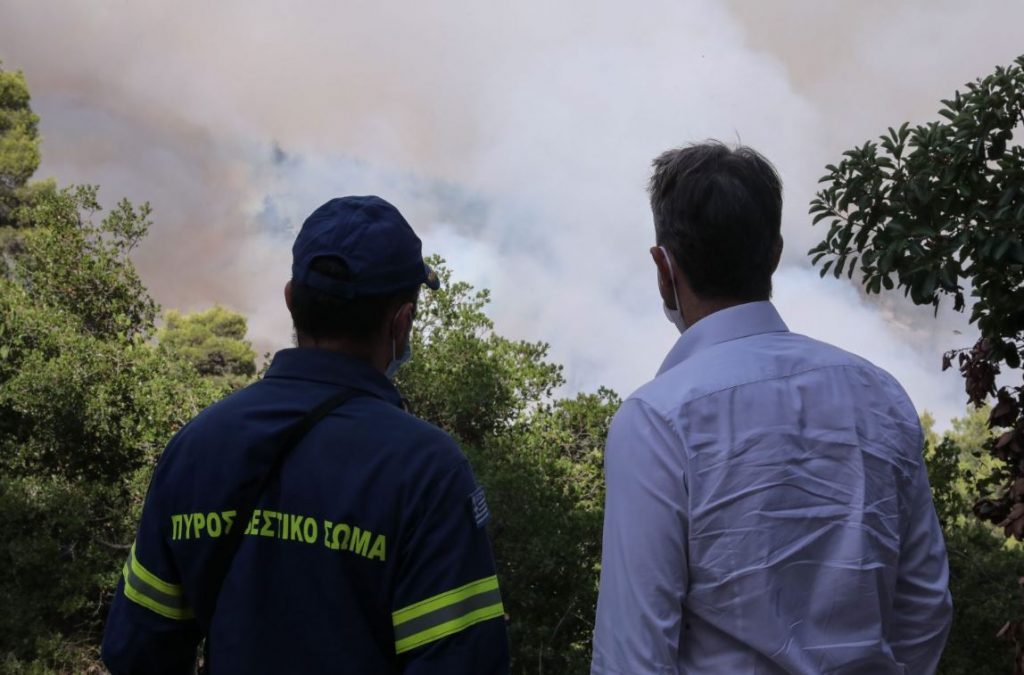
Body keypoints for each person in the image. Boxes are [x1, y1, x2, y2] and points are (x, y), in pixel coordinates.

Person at [102, 196, 509, 674]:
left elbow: (137, 652)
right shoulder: (429, 471)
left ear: (291, 298)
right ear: (401, 322)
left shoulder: (197, 445)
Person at [591, 142, 952, 674]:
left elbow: (633, 656)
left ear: (663, 268)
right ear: (775, 253)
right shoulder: (880, 395)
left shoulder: (657, 422)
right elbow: (925, 606)